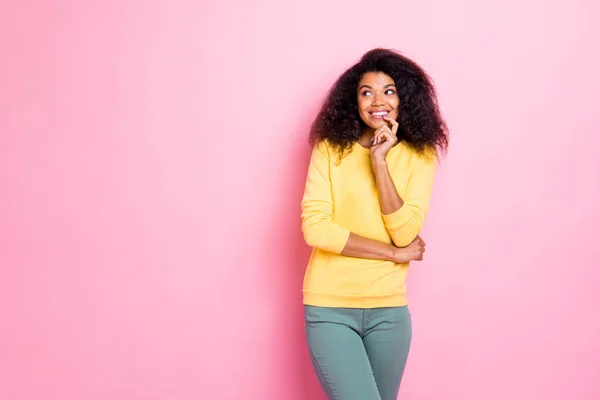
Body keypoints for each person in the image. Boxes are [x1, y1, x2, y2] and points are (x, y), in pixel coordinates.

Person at [300, 48, 449, 400]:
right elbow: (316, 228)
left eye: (389, 91)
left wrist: (380, 162)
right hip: (330, 308)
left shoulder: (420, 155)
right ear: (353, 100)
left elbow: (405, 232)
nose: (377, 101)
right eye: (366, 92)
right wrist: (393, 254)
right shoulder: (330, 148)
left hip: (390, 311)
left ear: (405, 99)